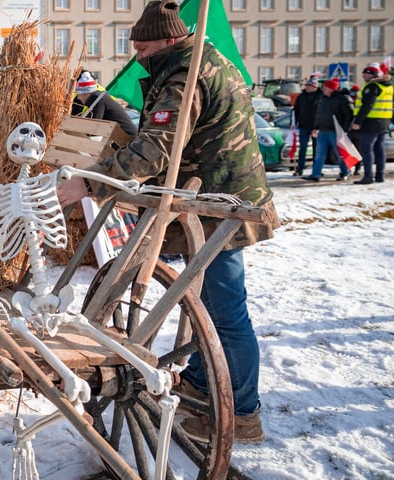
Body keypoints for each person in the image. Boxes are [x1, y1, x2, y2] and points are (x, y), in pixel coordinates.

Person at [58, 0, 279, 444]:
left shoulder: (185, 74)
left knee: (225, 310)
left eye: (144, 48)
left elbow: (156, 149)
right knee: (205, 305)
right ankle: (201, 382)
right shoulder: (195, 63)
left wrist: (89, 183)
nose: (139, 56)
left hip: (217, 203)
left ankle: (241, 412)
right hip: (210, 196)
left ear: (171, 40)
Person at [302, 79, 354, 182]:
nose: (323, 89)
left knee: (339, 154)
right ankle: (315, 174)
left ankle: (345, 172)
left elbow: (349, 115)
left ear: (331, 88)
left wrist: (345, 130)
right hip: (323, 130)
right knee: (319, 154)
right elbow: (319, 114)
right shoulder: (323, 98)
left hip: (336, 131)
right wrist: (316, 127)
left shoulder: (342, 99)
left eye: (325, 87)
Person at [350, 63, 393, 185]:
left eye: (365, 73)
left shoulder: (372, 87)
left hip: (371, 121)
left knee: (366, 148)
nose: (363, 75)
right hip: (384, 121)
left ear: (371, 74)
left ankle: (368, 176)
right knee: (379, 148)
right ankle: (380, 175)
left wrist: (358, 121)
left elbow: (367, 105)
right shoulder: (387, 87)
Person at [72, 70, 139, 139]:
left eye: (79, 94)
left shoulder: (97, 99)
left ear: (85, 93)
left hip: (127, 141)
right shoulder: (97, 97)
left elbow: (92, 127)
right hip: (121, 140)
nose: (78, 98)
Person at [292, 76, 323, 176]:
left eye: (309, 86)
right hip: (304, 125)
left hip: (317, 126)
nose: (307, 87)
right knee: (302, 148)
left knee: (317, 148)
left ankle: (316, 170)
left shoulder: (321, 96)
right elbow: (296, 110)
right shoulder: (301, 97)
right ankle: (299, 169)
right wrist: (293, 122)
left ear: (314, 87)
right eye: (306, 86)